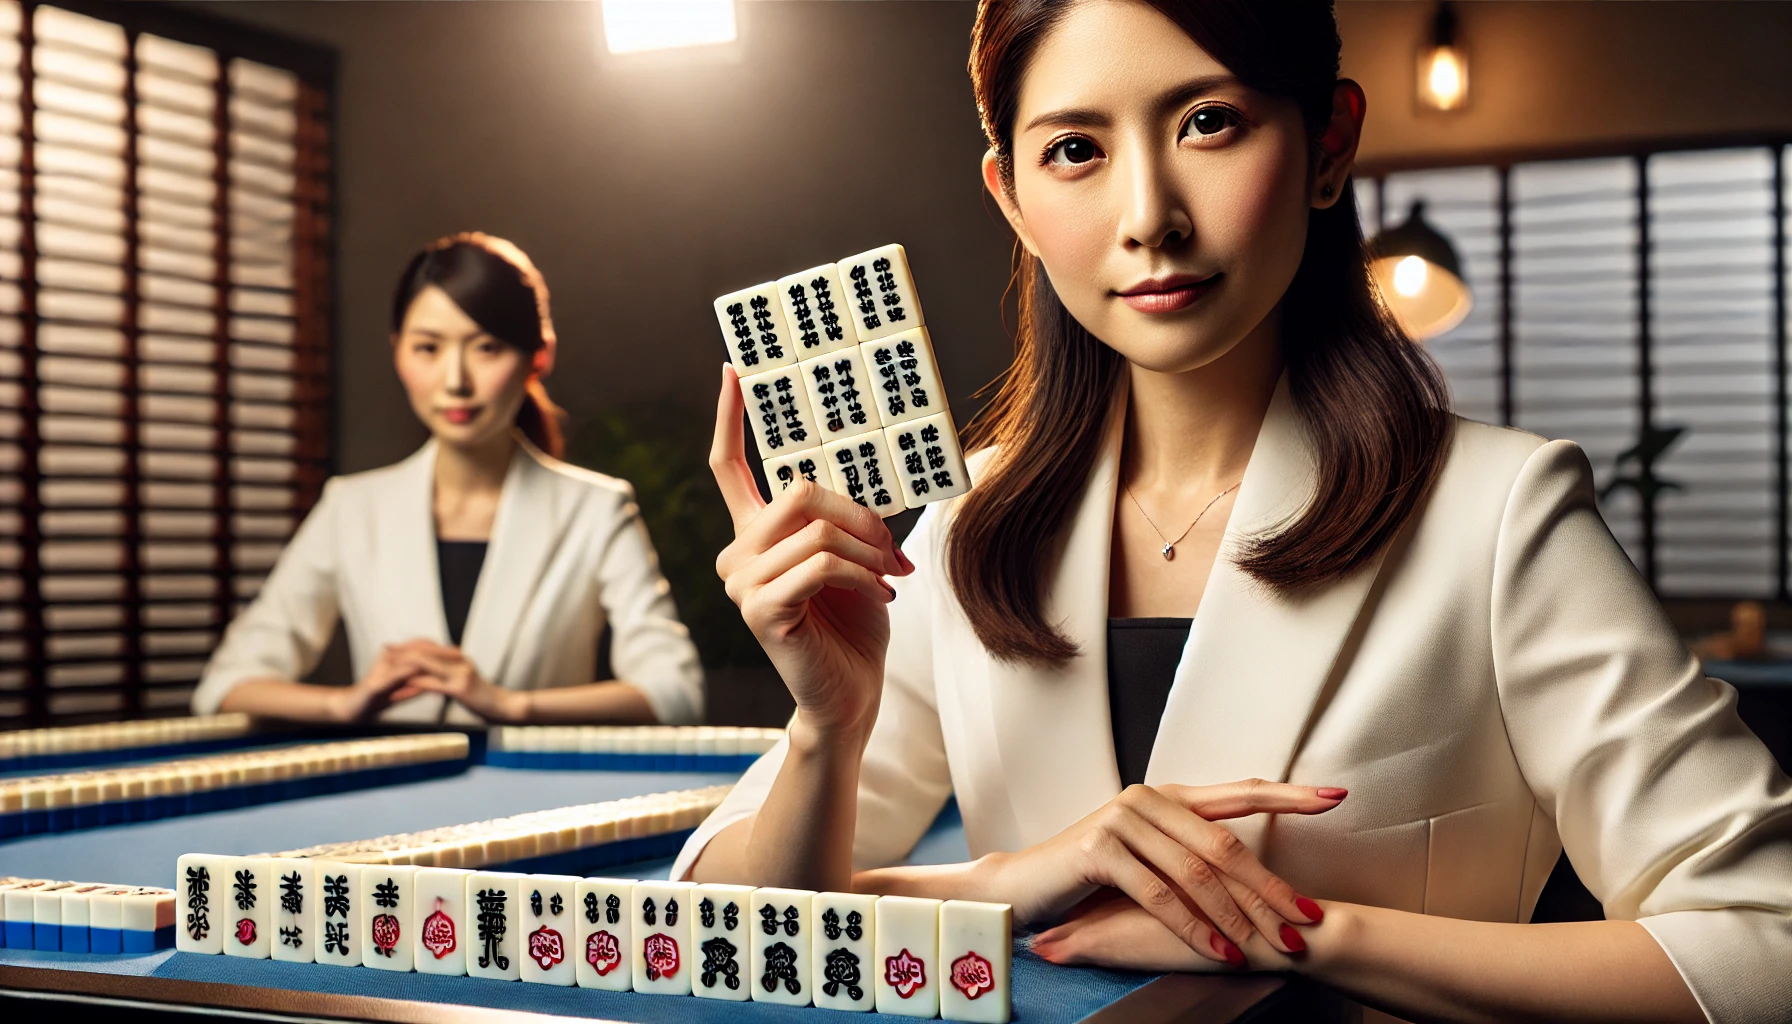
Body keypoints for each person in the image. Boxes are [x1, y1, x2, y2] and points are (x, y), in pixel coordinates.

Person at [676, 2, 1792, 1021]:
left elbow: (1763, 942)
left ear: (1327, 145)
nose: (1148, 215)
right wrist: (834, 727)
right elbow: (732, 924)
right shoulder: (966, 526)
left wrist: (1309, 933)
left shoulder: (1500, 514)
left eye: (1208, 123)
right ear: (1011, 197)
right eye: (1075, 150)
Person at [192, 233, 703, 727]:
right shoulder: (351, 507)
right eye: (428, 348)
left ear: (538, 356)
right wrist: (344, 706)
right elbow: (223, 687)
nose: (455, 381)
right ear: (398, 351)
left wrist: (511, 706)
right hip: (388, 807)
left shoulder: (598, 508)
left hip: (542, 810)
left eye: (485, 348)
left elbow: (675, 692)